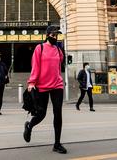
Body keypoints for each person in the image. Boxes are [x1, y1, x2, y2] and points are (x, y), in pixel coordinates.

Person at [23, 25, 67, 154]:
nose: (55, 37)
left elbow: (59, 67)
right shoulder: (40, 48)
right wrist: (32, 83)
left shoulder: (59, 51)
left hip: (57, 85)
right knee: (41, 114)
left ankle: (57, 144)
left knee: (58, 112)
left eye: (57, 35)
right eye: (53, 35)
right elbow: (35, 66)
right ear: (47, 35)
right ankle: (29, 126)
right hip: (42, 85)